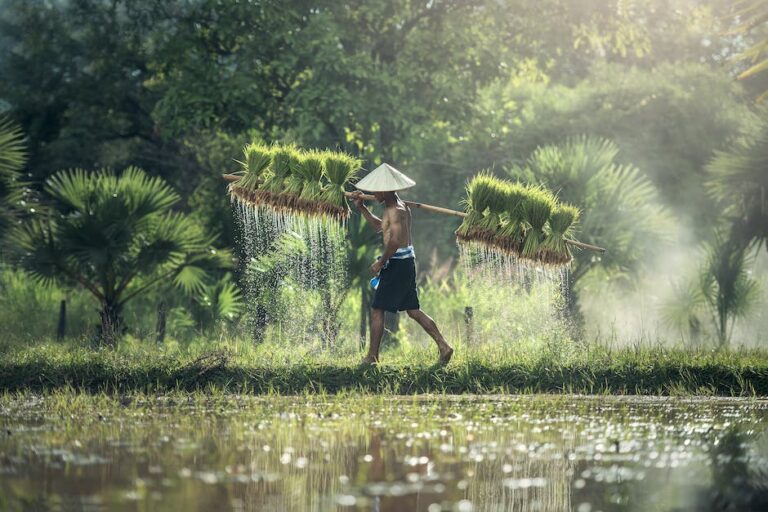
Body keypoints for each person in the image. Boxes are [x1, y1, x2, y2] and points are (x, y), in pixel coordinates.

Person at [350, 163, 454, 366]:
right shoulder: (396, 207)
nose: (373, 193)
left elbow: (394, 242)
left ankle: (372, 357)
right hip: (406, 263)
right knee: (413, 310)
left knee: (377, 309)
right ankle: (444, 346)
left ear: (386, 189)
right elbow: (381, 227)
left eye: (376, 189)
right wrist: (362, 208)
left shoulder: (396, 210)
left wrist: (381, 262)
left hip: (398, 264)